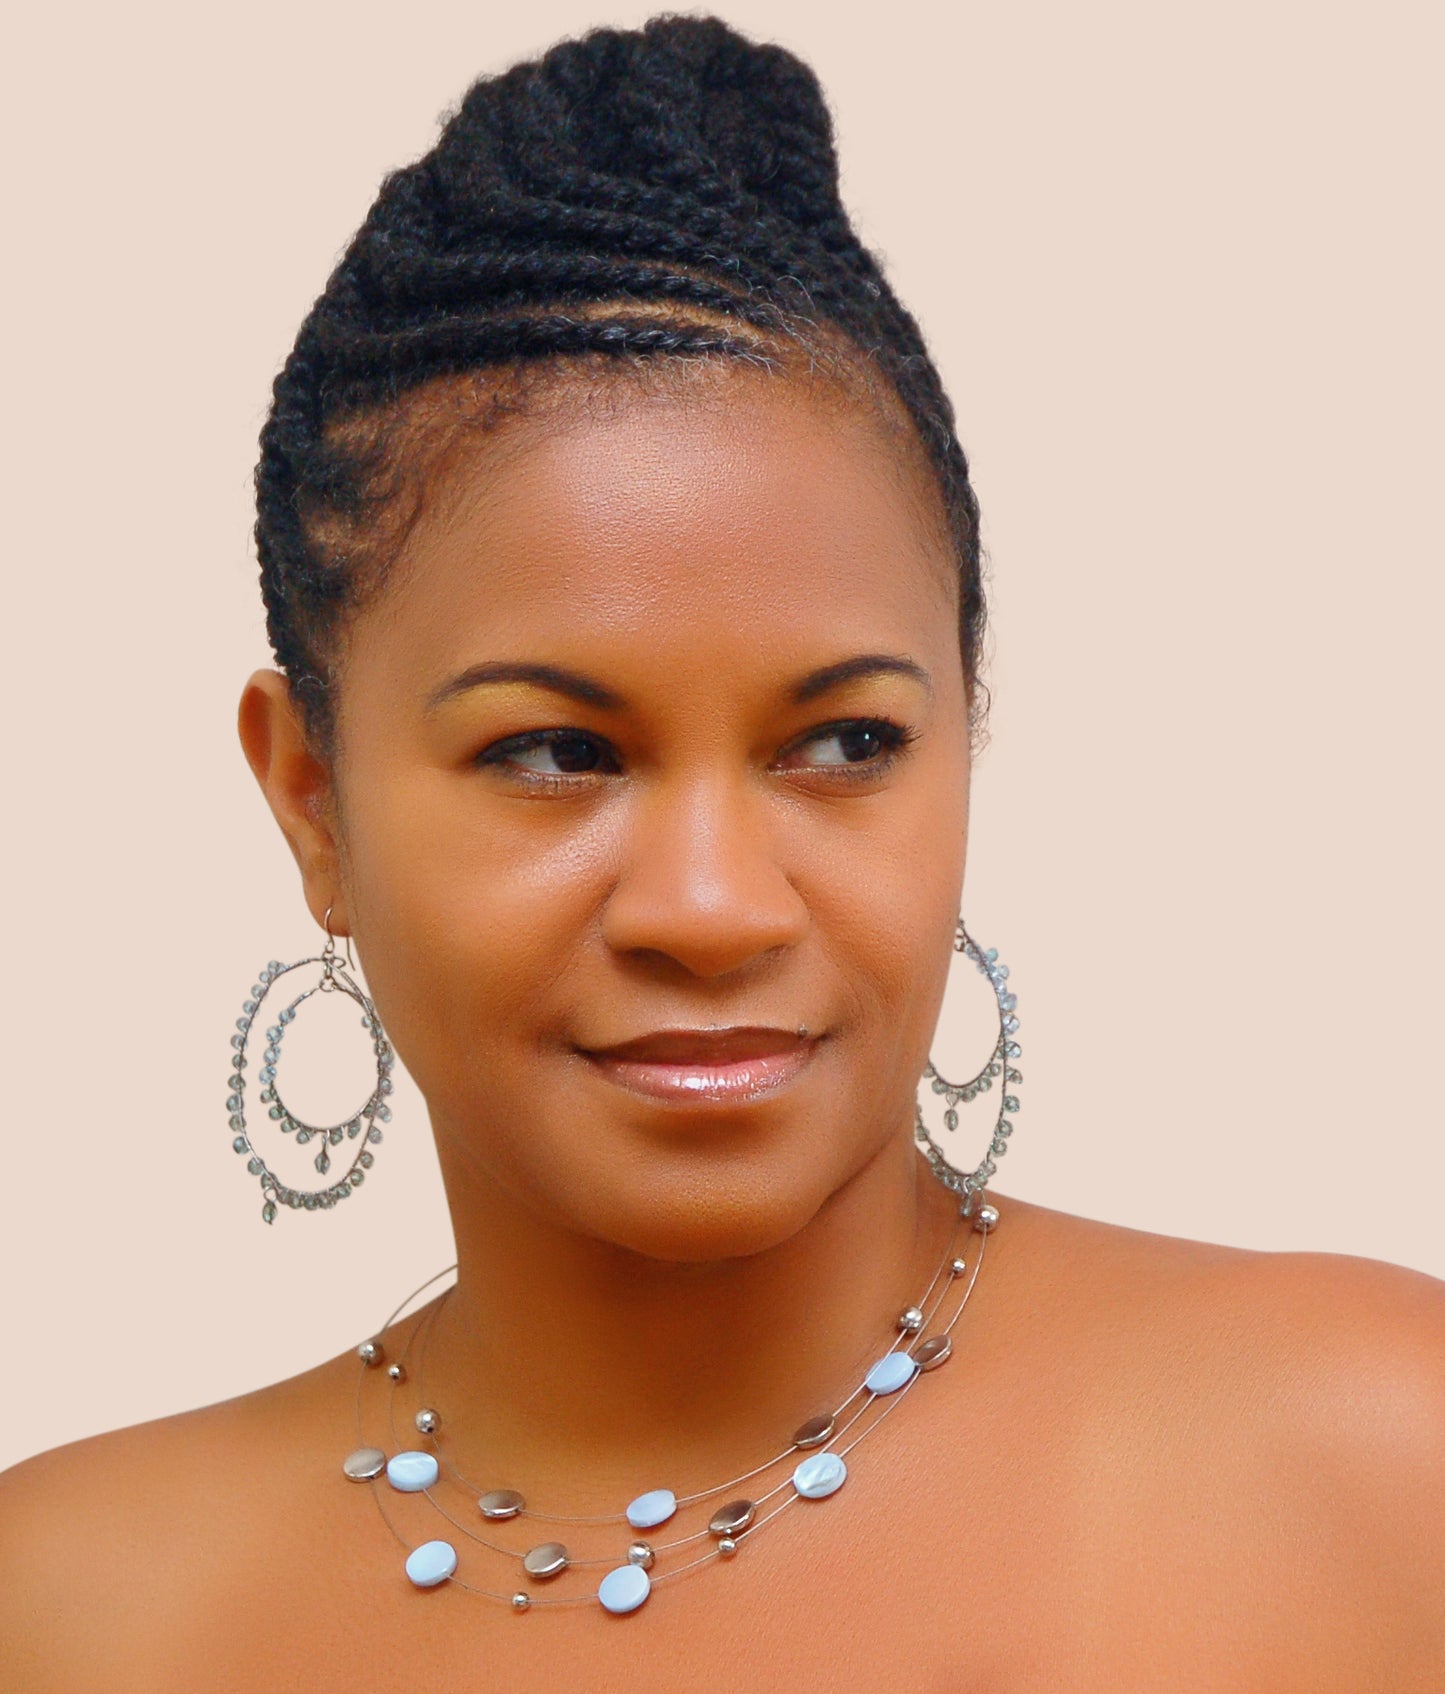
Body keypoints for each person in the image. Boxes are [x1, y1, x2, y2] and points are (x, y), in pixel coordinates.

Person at [1, 15, 1441, 1688]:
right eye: (557, 753)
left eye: (843, 742)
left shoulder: (1372, 1469)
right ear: (312, 798)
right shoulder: (69, 1609)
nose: (711, 905)